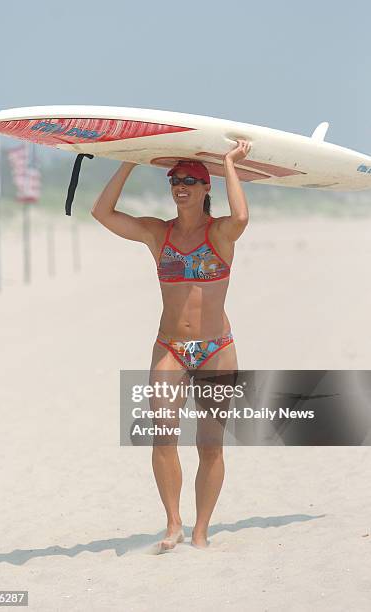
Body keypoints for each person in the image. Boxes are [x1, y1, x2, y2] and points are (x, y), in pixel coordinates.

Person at [91, 140, 251, 551]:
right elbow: (101, 213)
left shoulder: (220, 234)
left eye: (190, 181)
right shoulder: (156, 233)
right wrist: (128, 161)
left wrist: (230, 163)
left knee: (210, 444)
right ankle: (173, 524)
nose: (180, 187)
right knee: (163, 436)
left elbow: (242, 215)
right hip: (171, 348)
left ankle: (201, 530)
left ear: (204, 188)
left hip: (216, 347)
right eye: (175, 181)